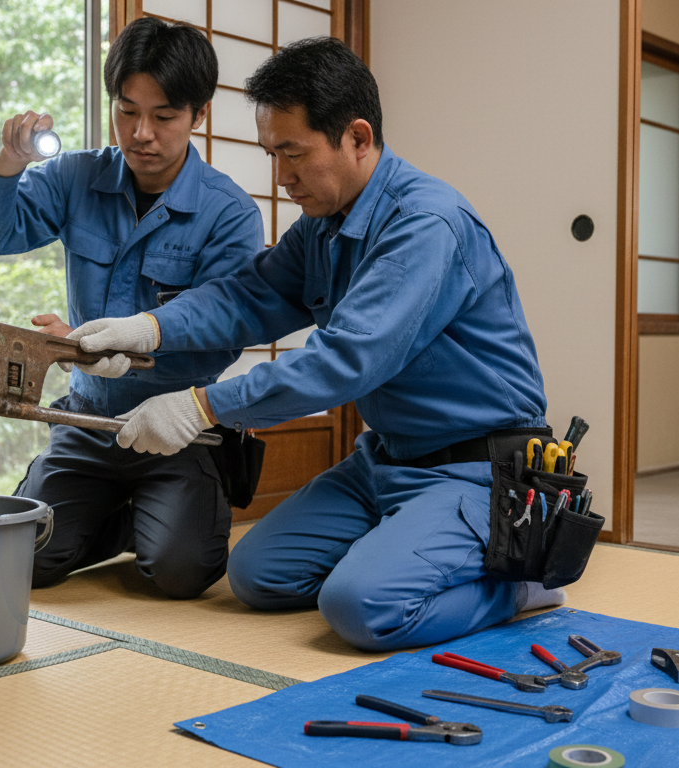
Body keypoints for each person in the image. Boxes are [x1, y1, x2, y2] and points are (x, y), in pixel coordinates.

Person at [66, 37, 567, 651]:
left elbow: (344, 362)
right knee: (256, 577)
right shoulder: (323, 228)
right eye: (272, 154)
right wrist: (149, 328)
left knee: (360, 608)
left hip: (476, 471)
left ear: (357, 138)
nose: (282, 178)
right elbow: (247, 297)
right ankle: (407, 548)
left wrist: (201, 407)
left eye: (294, 154)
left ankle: (523, 579)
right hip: (385, 461)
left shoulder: (424, 225)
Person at [0, 17, 264, 598]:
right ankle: (122, 516)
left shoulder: (231, 213)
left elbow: (225, 331)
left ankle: (156, 514)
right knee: (21, 561)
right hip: (85, 422)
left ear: (199, 114)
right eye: (126, 110)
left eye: (164, 116)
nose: (141, 132)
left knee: (177, 573)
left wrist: (118, 348)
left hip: (177, 429)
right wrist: (8, 162)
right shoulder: (76, 176)